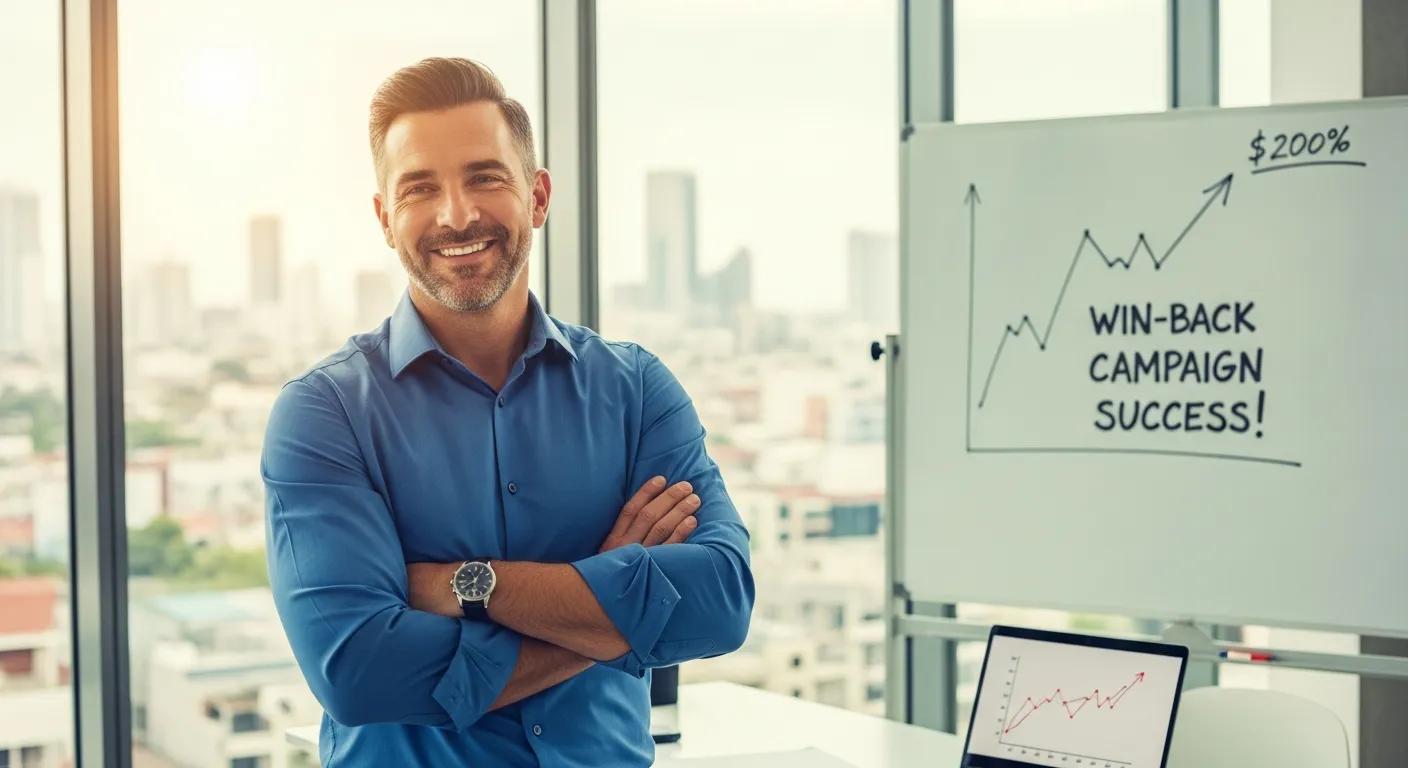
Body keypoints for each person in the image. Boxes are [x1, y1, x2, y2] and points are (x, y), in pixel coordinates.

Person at [261, 57, 754, 766]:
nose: (457, 214)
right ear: (385, 219)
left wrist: (468, 585)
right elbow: (361, 673)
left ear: (539, 196)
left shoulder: (636, 390)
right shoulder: (325, 414)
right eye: (420, 188)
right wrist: (613, 598)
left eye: (485, 177)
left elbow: (721, 601)